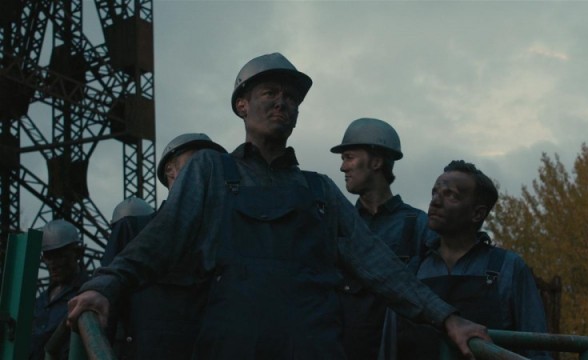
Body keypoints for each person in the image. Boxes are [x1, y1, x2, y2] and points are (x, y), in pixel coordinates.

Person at [68, 52, 489, 359]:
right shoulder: (211, 172)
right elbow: (161, 239)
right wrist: (106, 284)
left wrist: (448, 319)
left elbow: (381, 268)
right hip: (229, 347)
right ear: (242, 105)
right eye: (270, 92)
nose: (282, 103)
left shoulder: (320, 191)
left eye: (291, 98)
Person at [399, 160, 550, 359]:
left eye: (450, 195)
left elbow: (537, 349)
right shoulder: (415, 270)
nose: (435, 201)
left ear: (477, 213)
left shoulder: (508, 268)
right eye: (434, 193)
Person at [102, 134, 227, 359]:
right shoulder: (135, 229)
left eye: (213, 164)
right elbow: (106, 308)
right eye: (196, 160)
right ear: (171, 170)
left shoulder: (229, 238)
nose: (206, 168)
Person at [330, 117, 438, 359]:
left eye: (349, 157)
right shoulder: (337, 227)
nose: (342, 168)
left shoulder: (419, 226)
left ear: (377, 162)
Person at [29, 219, 89, 360]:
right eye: (48, 257)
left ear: (78, 253)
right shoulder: (42, 300)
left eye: (60, 256)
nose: (53, 264)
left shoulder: (87, 294)